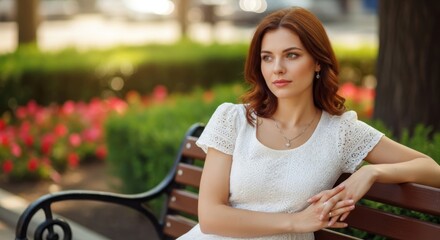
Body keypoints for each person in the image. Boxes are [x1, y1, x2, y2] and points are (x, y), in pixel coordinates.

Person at [178, 7, 440, 240]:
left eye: (291, 55)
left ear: (317, 61)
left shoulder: (341, 132)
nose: (277, 68)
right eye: (267, 57)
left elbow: (431, 169)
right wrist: (296, 221)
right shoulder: (233, 120)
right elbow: (211, 217)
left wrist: (371, 172)